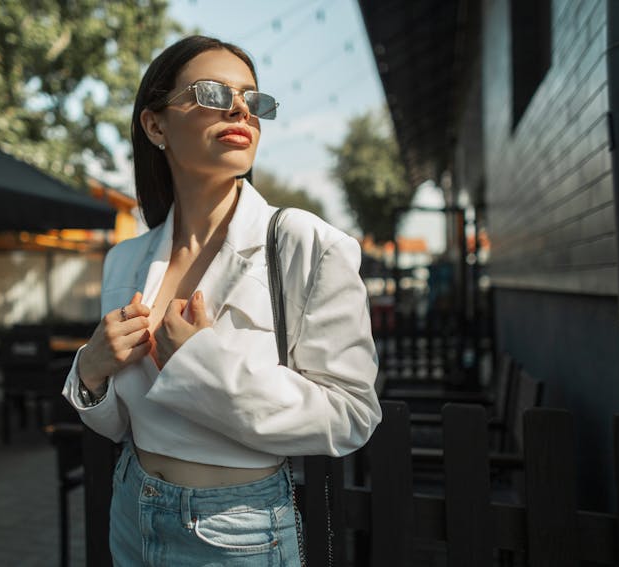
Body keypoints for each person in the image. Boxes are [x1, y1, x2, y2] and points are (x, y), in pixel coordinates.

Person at [62, 34, 382, 566]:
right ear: (155, 124)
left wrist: (202, 363)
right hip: (130, 510)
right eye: (212, 93)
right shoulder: (124, 260)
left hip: (238, 531)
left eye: (253, 99)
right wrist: (91, 372)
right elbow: (120, 421)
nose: (240, 109)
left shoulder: (307, 243)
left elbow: (351, 413)